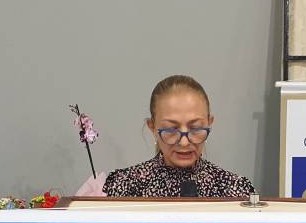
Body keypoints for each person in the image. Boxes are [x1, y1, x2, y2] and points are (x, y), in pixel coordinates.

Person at [104, 75, 255, 198]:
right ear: (153, 127)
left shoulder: (234, 190)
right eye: (171, 129)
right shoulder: (124, 187)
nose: (184, 142)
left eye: (195, 128)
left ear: (209, 124)